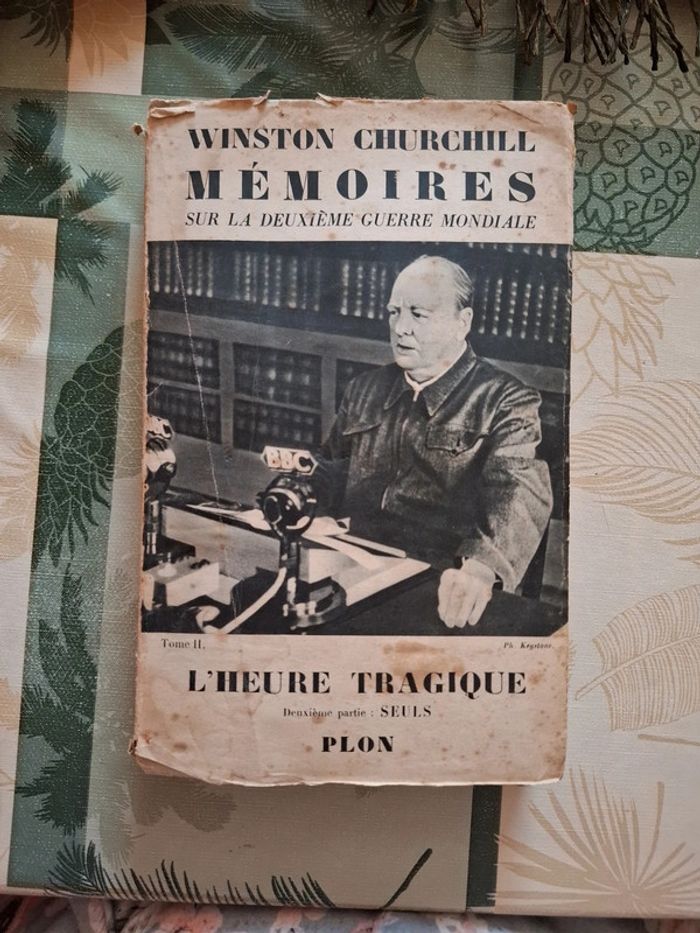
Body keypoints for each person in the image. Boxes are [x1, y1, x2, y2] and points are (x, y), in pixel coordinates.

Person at [321, 255, 553, 629]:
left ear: (463, 322)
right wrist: (302, 494)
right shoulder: (364, 388)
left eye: (418, 314)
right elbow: (331, 466)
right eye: (394, 312)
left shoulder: (506, 401)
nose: (401, 328)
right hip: (354, 572)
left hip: (442, 588)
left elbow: (518, 492)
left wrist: (481, 567)